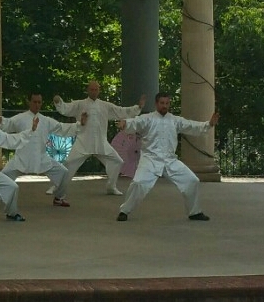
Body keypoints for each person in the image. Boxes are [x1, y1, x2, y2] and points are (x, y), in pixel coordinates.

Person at [115, 92, 217, 222]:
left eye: (167, 103)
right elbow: (135, 122)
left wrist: (209, 124)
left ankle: (194, 212)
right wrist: (125, 123)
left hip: (170, 160)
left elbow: (191, 125)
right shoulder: (148, 118)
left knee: (192, 180)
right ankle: (124, 211)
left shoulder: (175, 120)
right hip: (150, 159)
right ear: (156, 104)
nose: (165, 106)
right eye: (162, 103)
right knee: (138, 183)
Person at [0, 93, 86, 208]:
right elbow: (8, 124)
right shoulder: (21, 118)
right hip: (22, 158)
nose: (37, 105)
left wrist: (80, 124)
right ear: (29, 102)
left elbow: (61, 128)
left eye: (39, 102)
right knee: (4, 176)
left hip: (41, 158)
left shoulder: (46, 120)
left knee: (64, 172)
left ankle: (59, 198)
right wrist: (1, 122)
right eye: (34, 102)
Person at [54, 81, 145, 196]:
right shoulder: (80, 104)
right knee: (69, 163)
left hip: (101, 142)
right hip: (83, 142)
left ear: (99, 90)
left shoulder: (105, 106)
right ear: (88, 90)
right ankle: (57, 186)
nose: (94, 92)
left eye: (96, 89)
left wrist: (137, 108)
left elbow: (121, 111)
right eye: (91, 89)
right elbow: (66, 108)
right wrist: (59, 102)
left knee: (117, 161)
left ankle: (111, 187)